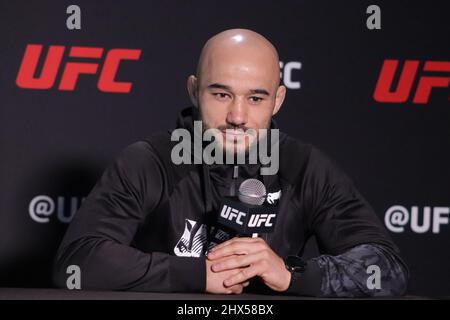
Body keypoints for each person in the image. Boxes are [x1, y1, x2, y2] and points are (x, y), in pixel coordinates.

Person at [53, 29, 408, 297]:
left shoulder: (305, 167)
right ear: (194, 91)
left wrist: (290, 274)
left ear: (278, 100)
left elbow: (387, 267)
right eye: (221, 94)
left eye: (256, 97)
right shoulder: (149, 161)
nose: (237, 116)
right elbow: (77, 263)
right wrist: (196, 274)